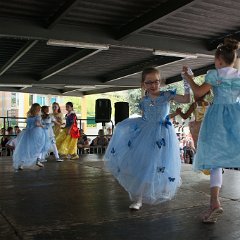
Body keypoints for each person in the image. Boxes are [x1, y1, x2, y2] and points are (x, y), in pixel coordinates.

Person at [104, 67, 190, 210]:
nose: (153, 85)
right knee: (143, 165)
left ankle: (159, 190)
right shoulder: (143, 100)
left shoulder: (167, 95)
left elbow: (187, 99)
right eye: (149, 83)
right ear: (143, 84)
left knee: (161, 164)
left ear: (160, 81)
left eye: (156, 82)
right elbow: (144, 118)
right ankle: (138, 199)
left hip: (163, 134)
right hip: (146, 134)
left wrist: (187, 81)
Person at [182, 38, 240, 223]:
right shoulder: (239, 76)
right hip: (235, 115)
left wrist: (188, 77)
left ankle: (215, 202)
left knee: (215, 160)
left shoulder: (215, 75)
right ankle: (213, 203)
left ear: (219, 61)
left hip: (217, 117)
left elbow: (199, 93)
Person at [13, 103, 50, 170]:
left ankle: (21, 164)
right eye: (39, 108)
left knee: (26, 148)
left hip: (28, 132)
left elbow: (28, 125)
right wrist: (43, 126)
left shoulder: (29, 115)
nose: (39, 110)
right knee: (40, 146)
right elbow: (37, 124)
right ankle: (38, 160)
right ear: (37, 109)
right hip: (37, 133)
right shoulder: (38, 116)